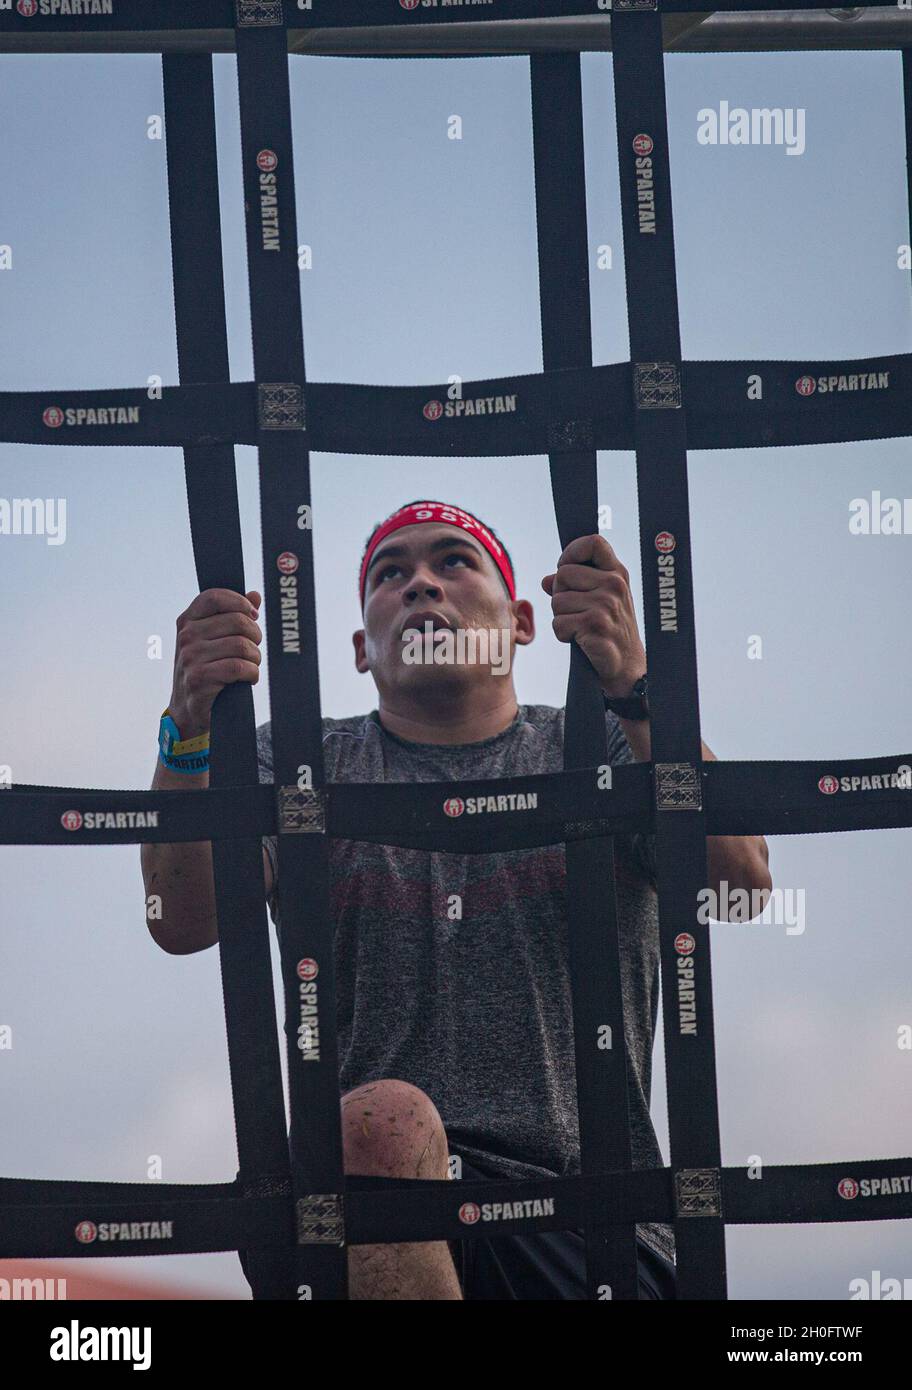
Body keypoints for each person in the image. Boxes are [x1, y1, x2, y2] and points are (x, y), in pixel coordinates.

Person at [141, 498, 772, 1300]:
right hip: (362, 1207)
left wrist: (635, 681)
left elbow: (741, 886)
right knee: (380, 1125)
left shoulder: (594, 750)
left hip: (587, 1229)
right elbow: (183, 918)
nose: (421, 586)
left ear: (519, 622)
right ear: (362, 649)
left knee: (380, 1124)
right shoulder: (302, 765)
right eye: (390, 573)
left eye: (453, 562)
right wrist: (189, 725)